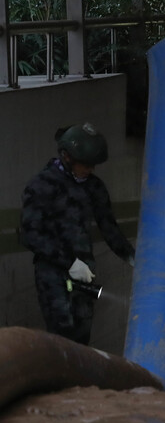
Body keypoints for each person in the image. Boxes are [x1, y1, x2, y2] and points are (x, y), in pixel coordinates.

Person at [20, 123, 135, 345]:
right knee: (61, 336)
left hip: (84, 274)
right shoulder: (42, 185)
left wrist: (133, 258)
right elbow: (30, 234)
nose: (90, 169)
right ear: (67, 157)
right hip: (53, 274)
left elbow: (109, 228)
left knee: (81, 337)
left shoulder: (94, 187)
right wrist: (69, 262)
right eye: (86, 164)